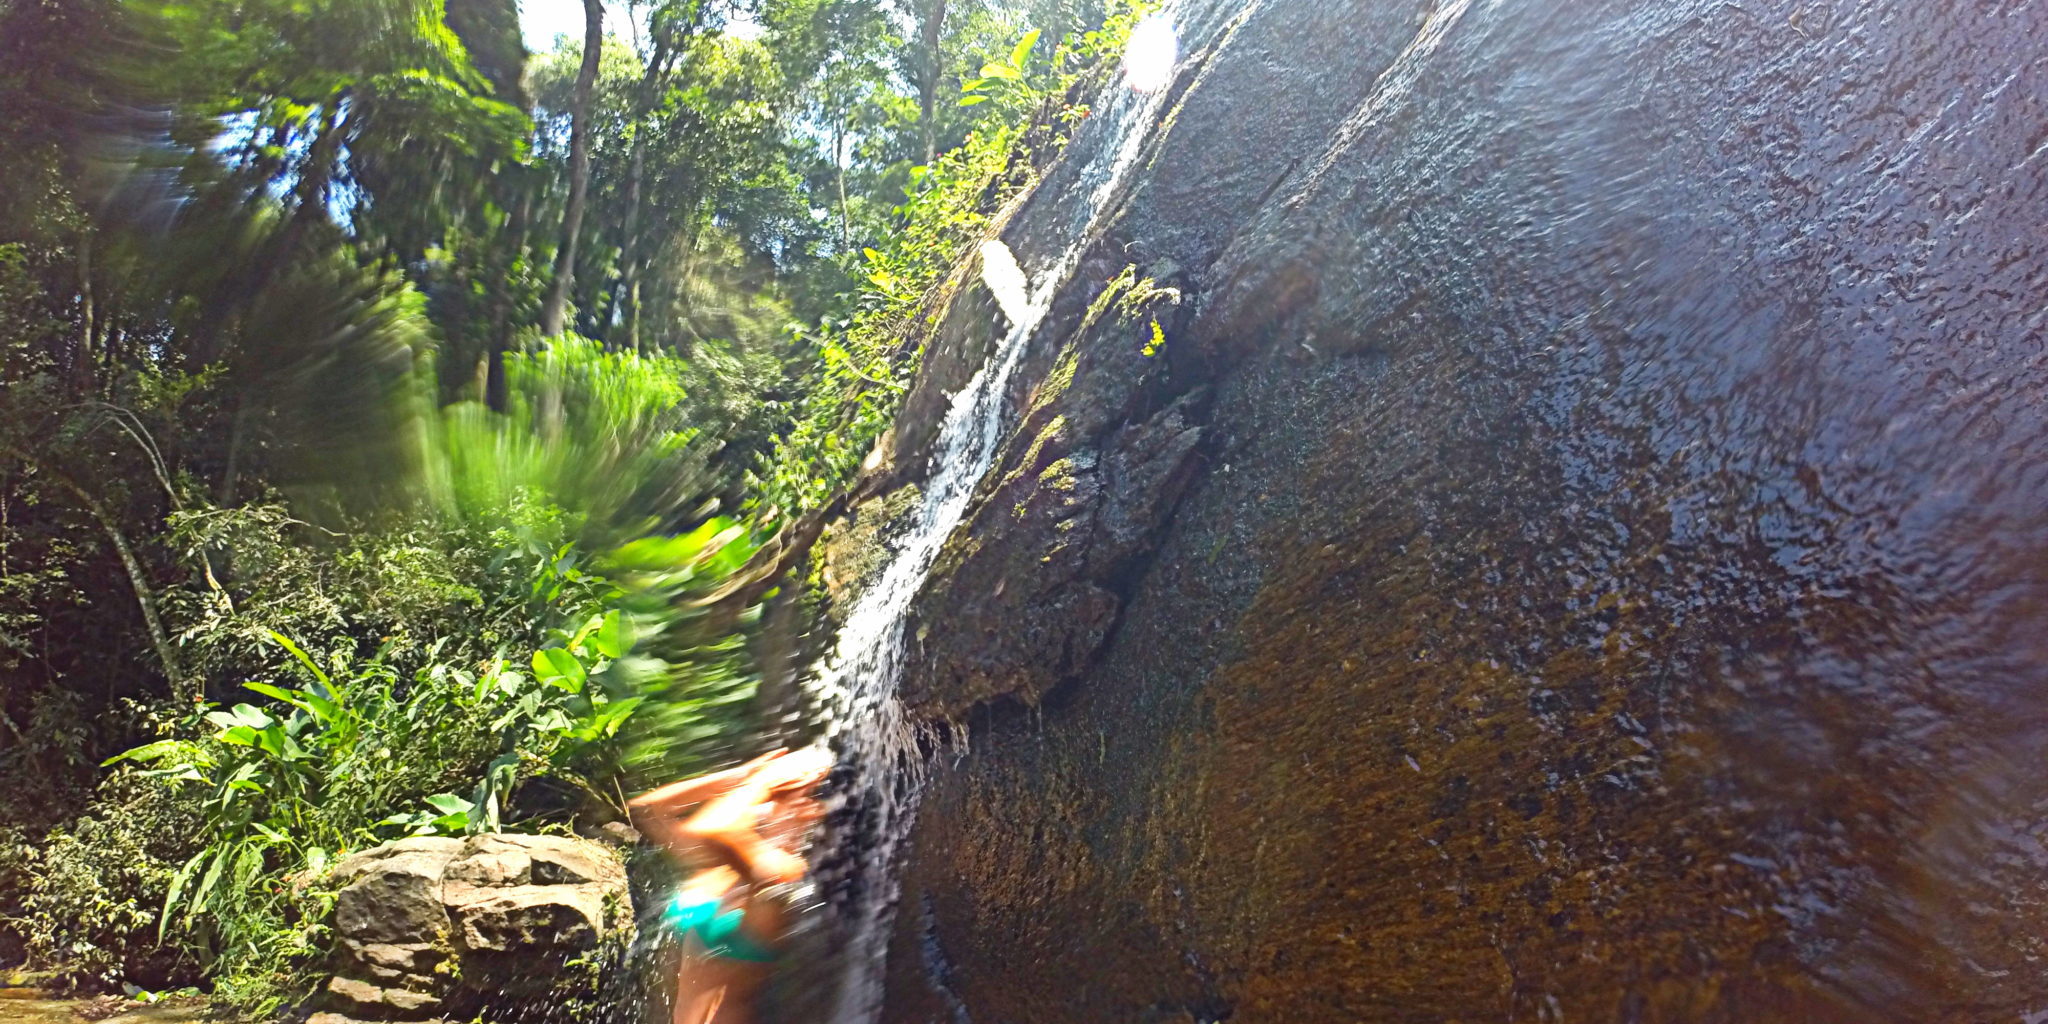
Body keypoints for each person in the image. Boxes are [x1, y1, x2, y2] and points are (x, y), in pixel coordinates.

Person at [629, 747, 833, 1024]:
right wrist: (740, 775)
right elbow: (646, 811)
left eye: (798, 796)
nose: (765, 804)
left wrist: (760, 782)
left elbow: (713, 828)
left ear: (812, 812)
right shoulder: (724, 866)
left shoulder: (782, 874)